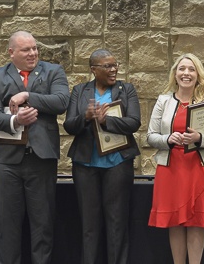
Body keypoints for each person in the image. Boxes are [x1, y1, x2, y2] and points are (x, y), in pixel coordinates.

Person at [0, 31, 70, 264]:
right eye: (26, 50)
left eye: (34, 48)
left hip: (41, 159)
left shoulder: (53, 71)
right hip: (7, 162)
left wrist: (27, 95)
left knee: (43, 225)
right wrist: (16, 121)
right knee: (8, 226)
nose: (32, 53)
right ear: (11, 52)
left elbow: (62, 102)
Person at [147, 53, 204, 264]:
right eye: (182, 69)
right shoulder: (163, 101)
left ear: (198, 75)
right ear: (175, 74)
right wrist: (168, 138)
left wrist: (200, 138)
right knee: (174, 221)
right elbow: (150, 136)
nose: (186, 73)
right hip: (170, 168)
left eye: (191, 69)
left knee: (196, 221)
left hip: (198, 169)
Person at [63, 49, 141, 264]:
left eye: (115, 65)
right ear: (93, 70)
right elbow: (70, 125)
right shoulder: (80, 91)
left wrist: (107, 122)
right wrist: (86, 117)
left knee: (116, 223)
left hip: (118, 164)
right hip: (85, 165)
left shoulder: (126, 90)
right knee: (89, 224)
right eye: (107, 66)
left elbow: (134, 122)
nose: (113, 69)